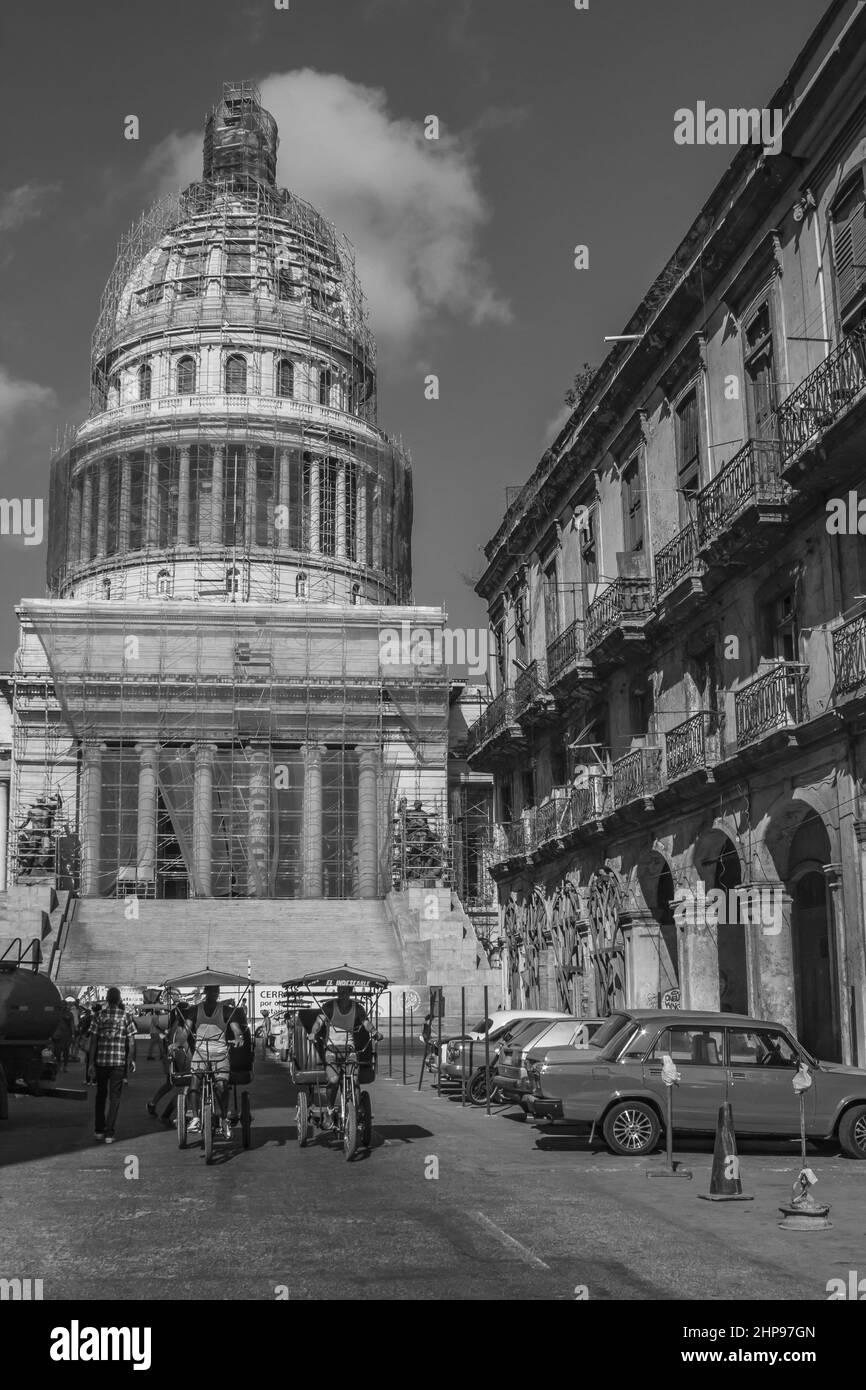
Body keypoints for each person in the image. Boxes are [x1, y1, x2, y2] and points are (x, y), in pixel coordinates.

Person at [178, 985, 244, 1140]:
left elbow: (236, 1030)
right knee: (194, 1083)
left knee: (221, 1086)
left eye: (215, 992)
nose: (212, 994)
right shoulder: (195, 1010)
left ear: (218, 993)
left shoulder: (226, 1010)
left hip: (220, 1053)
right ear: (205, 993)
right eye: (210, 991)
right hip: (200, 1054)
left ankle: (223, 1119)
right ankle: (195, 1117)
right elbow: (185, 1031)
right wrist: (178, 1043)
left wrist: (239, 1038)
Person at [310, 984, 379, 1129]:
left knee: (354, 1080)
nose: (341, 994)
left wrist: (374, 1032)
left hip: (350, 1050)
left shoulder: (357, 1008)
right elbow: (318, 1022)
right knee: (334, 1080)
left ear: (350, 992)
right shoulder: (329, 1006)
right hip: (331, 1050)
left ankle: (356, 1109)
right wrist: (313, 1032)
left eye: (345, 992)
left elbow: (366, 1022)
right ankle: (329, 1109)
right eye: (339, 992)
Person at [86, 987, 137, 1144]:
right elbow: (132, 1041)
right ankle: (109, 1132)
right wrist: (131, 1059)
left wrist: (90, 1063)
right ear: (120, 999)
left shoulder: (98, 1016)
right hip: (118, 1062)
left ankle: (99, 1130)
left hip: (101, 1061)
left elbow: (93, 1041)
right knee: (115, 1097)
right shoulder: (126, 1016)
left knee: (100, 1096)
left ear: (107, 999)